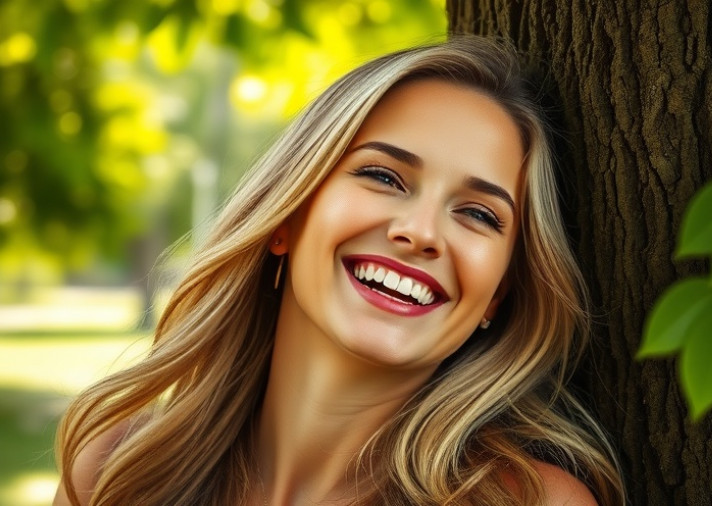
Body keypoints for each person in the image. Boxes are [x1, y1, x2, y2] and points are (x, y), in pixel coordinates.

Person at [53, 36, 624, 505]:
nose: (421, 233)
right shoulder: (117, 468)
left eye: (478, 214)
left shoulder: (528, 502)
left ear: (499, 295)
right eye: (383, 176)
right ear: (287, 215)